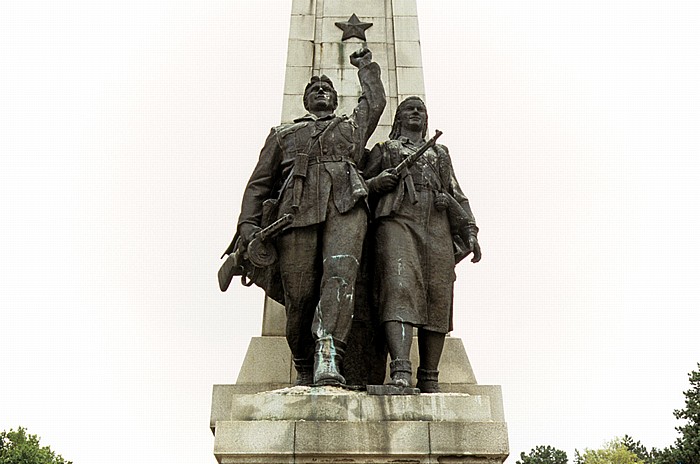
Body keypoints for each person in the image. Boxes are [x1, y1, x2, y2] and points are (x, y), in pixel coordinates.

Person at [223, 48, 385, 386]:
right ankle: (302, 360)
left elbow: (375, 102)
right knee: (299, 294)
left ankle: (329, 353)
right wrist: (249, 227)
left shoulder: (350, 127)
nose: (321, 90)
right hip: (295, 213)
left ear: (335, 99)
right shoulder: (282, 134)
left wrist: (366, 67)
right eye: (315, 88)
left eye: (327, 87)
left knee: (340, 277)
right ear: (306, 100)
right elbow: (259, 184)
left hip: (345, 204)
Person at [364, 96, 481, 392]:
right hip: (397, 218)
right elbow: (359, 185)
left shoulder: (440, 153)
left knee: (438, 292)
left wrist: (469, 227)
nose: (416, 112)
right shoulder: (386, 149)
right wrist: (377, 183)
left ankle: (429, 375)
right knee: (400, 286)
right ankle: (400, 370)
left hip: (436, 222)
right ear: (399, 118)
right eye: (408, 109)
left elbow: (457, 191)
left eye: (421, 109)